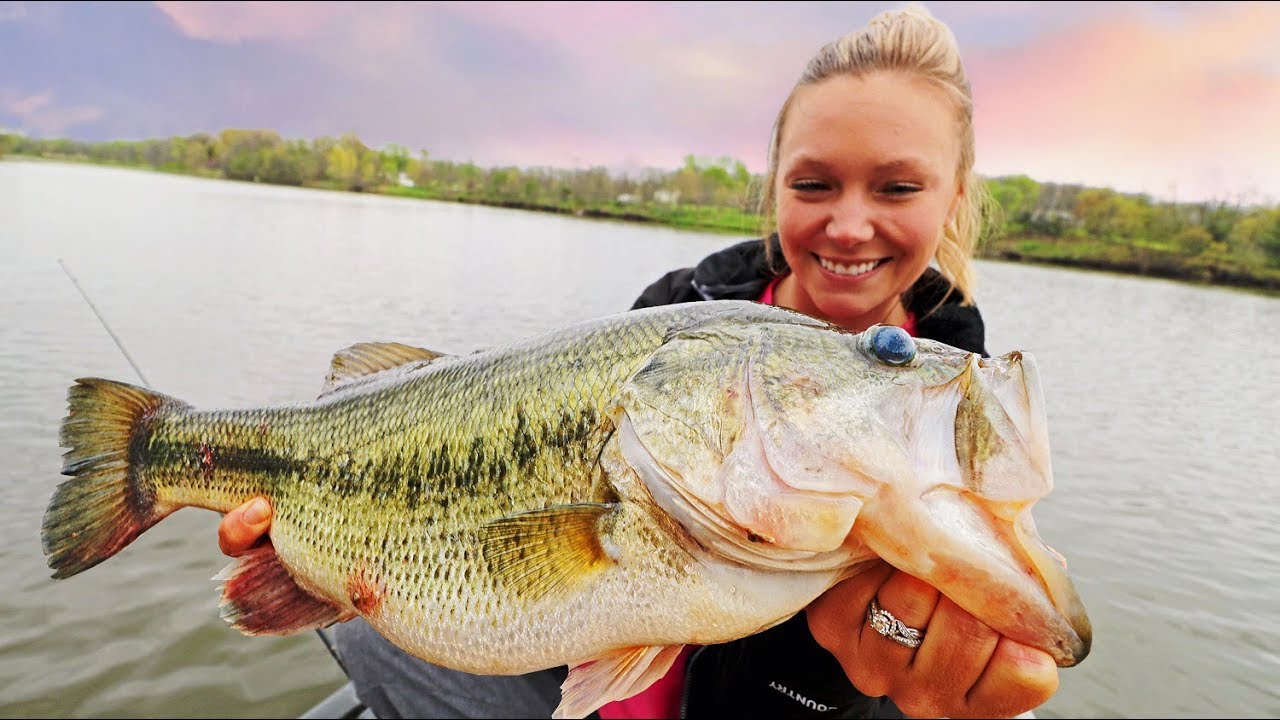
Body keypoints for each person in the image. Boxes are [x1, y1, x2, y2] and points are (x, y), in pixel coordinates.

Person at [218, 4, 1060, 718]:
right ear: (774, 185)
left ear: (956, 194)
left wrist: (832, 680)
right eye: (813, 185)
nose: (848, 225)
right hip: (542, 676)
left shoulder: (946, 424)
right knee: (372, 642)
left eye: (897, 188)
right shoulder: (677, 310)